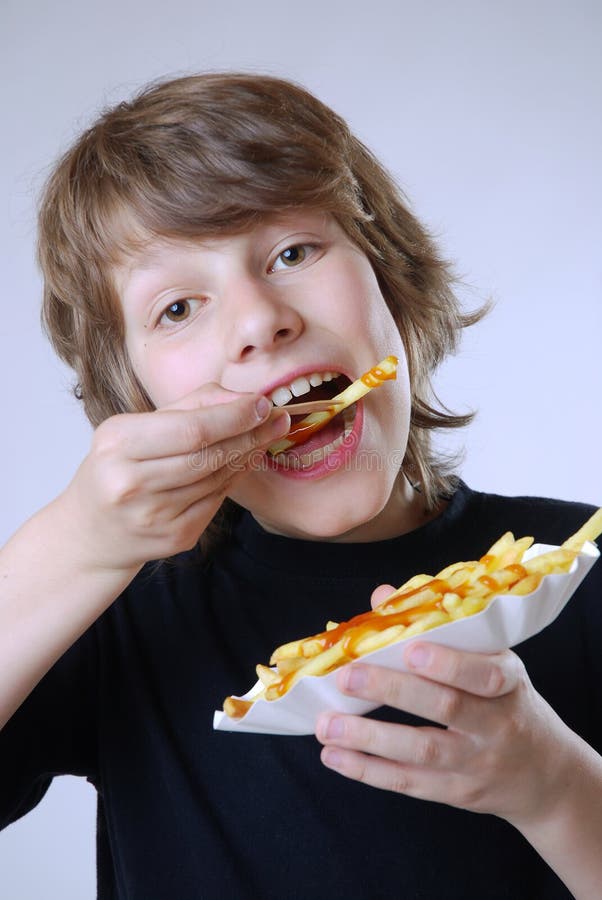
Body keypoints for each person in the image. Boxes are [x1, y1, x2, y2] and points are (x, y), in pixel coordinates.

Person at [0, 73, 600, 900]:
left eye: (292, 253)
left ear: (389, 278)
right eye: (177, 308)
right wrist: (73, 542)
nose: (258, 321)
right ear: (139, 399)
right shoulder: (115, 615)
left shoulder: (580, 566)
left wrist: (562, 792)